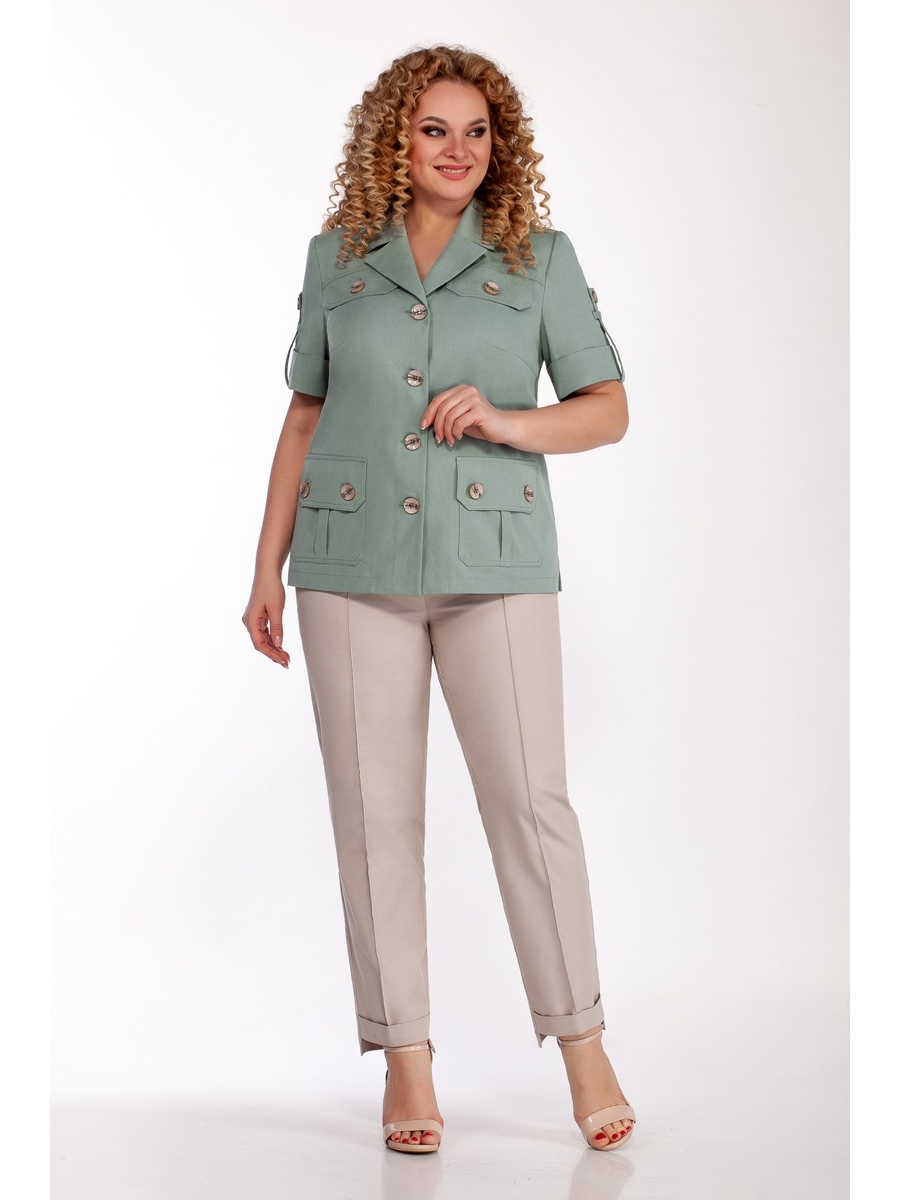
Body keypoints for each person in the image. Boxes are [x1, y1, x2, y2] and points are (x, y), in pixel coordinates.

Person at [243, 45, 635, 1155]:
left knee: (531, 806)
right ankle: (405, 1062)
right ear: (394, 142)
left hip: (494, 564)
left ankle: (584, 1044)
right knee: (375, 818)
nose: (458, 149)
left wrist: (507, 420)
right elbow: (305, 417)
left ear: (499, 144)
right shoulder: (336, 258)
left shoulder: (539, 258)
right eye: (433, 129)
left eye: (477, 130)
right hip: (347, 563)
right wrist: (265, 566)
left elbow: (607, 408)